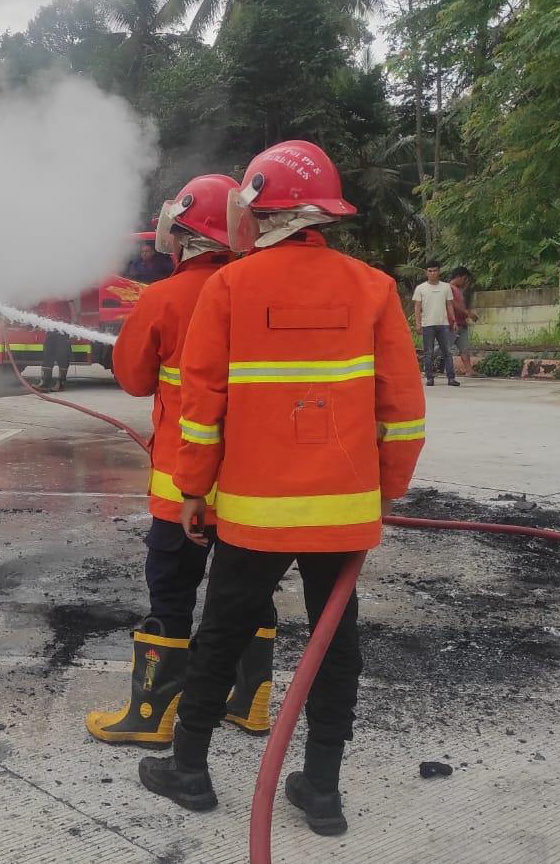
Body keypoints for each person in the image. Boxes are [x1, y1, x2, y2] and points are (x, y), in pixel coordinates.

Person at [136, 140, 426, 837]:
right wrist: (387, 492)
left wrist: (193, 491)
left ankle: (191, 770)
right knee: (334, 646)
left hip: (252, 516)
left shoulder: (230, 288)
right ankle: (322, 791)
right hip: (342, 516)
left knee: (220, 635)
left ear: (259, 205)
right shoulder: (375, 288)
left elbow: (202, 410)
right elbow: (404, 410)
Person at [87, 174, 279, 747]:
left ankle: (152, 714)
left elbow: (132, 378)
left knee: (171, 593)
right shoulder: (259, 290)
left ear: (183, 232)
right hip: (250, 486)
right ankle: (249, 703)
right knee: (250, 591)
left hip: (181, 485)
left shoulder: (163, 298)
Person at [413, 261, 459, 386]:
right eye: (430, 271)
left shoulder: (445, 287)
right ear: (426, 272)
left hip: (443, 324)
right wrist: (418, 323)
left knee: (447, 351)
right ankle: (429, 378)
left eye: (435, 270)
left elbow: (449, 305)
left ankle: (451, 378)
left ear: (439, 271)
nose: (433, 273)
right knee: (428, 352)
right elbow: (417, 307)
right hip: (427, 324)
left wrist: (453, 321)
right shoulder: (421, 288)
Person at [35, 297, 74, 392]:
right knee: (48, 353)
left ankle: (61, 383)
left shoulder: (64, 289)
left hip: (63, 327)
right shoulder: (48, 290)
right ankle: (44, 382)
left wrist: (72, 325)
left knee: (62, 354)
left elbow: (72, 307)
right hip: (50, 327)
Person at [447, 266, 479, 375]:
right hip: (452, 323)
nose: (465, 282)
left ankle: (469, 370)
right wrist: (468, 313)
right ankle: (425, 367)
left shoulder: (458, 290)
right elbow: (453, 304)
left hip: (462, 323)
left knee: (464, 349)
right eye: (464, 279)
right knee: (442, 348)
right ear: (458, 277)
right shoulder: (448, 288)